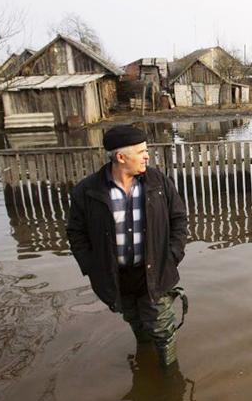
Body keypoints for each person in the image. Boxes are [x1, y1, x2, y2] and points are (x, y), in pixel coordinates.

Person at [67, 125, 188, 367]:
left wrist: (173, 255)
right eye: (141, 151)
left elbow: (179, 219)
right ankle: (145, 359)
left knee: (162, 327)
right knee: (134, 320)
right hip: (116, 277)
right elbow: (76, 233)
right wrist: (92, 266)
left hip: (154, 271)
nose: (147, 156)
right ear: (121, 157)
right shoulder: (88, 190)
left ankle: (169, 377)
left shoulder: (159, 182)